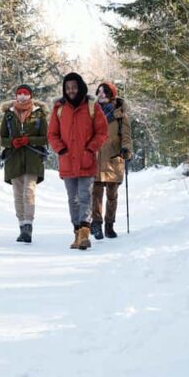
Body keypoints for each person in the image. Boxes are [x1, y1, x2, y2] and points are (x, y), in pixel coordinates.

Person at [47, 72, 108, 250]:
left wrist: (90, 148)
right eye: (68, 88)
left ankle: (84, 234)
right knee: (72, 199)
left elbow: (102, 131)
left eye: (74, 87)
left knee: (84, 196)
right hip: (67, 160)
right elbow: (52, 134)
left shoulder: (91, 106)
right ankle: (76, 233)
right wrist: (61, 149)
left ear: (80, 87)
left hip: (86, 159)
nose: (71, 90)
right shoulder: (59, 108)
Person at [0, 84, 48, 244]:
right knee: (18, 195)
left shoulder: (39, 114)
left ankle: (28, 226)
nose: (22, 96)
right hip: (13, 158)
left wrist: (29, 140)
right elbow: (2, 139)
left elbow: (46, 138)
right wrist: (12, 142)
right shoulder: (8, 115)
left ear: (30, 96)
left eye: (25, 93)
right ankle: (21, 227)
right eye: (19, 93)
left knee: (29, 192)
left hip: (33, 158)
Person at [92, 81, 133, 240]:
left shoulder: (120, 114)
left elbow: (126, 135)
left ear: (111, 95)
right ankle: (96, 223)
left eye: (104, 91)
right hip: (95, 158)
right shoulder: (92, 112)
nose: (100, 94)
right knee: (95, 194)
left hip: (113, 158)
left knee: (111, 194)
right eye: (99, 91)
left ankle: (109, 225)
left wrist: (126, 149)